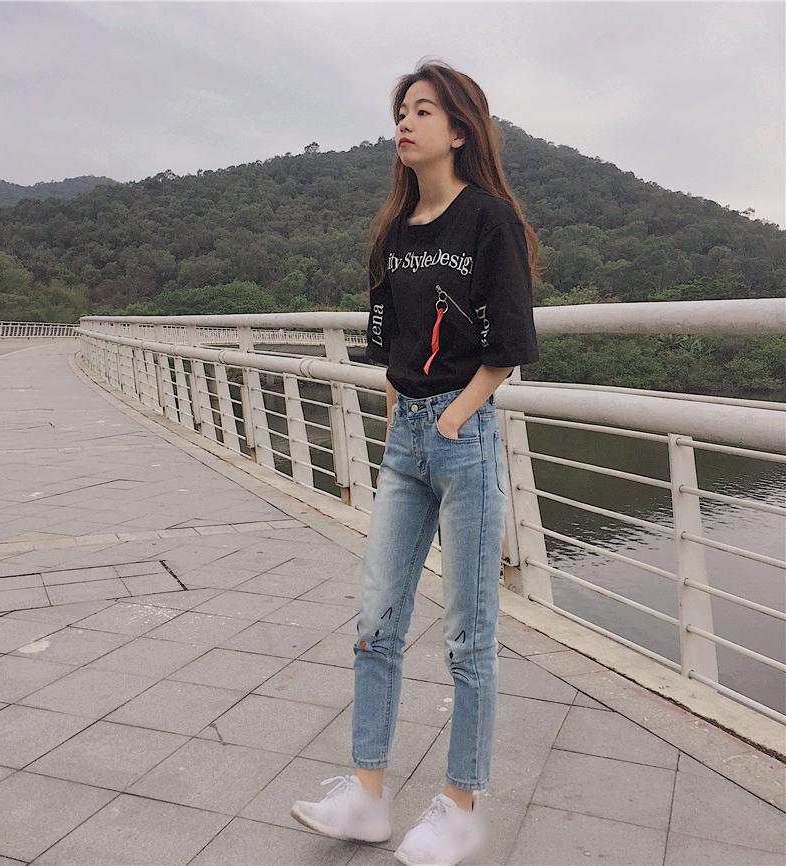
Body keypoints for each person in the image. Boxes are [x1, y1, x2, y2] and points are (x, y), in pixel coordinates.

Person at [291, 57, 540, 866]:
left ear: (460, 130)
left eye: (423, 110)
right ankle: (367, 797)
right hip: (406, 442)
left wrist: (456, 415)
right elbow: (387, 337)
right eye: (402, 109)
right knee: (376, 623)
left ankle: (460, 807)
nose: (405, 121)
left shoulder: (490, 220)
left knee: (468, 636)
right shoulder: (395, 232)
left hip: (464, 438)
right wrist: (405, 403)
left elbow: (508, 344)